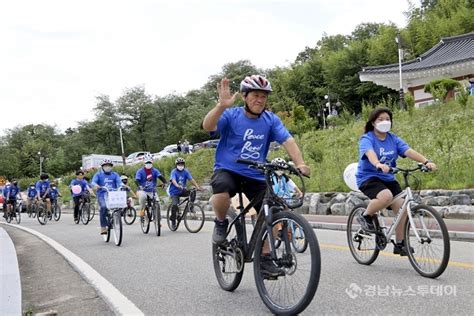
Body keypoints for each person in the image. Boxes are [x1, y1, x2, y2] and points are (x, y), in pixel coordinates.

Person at [202, 75, 310, 249]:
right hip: (228, 169)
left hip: (255, 173)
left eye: (263, 96)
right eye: (255, 95)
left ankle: (266, 256)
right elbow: (207, 126)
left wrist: (300, 163)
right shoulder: (231, 115)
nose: (260, 100)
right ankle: (221, 222)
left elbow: (288, 141)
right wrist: (220, 106)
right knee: (221, 190)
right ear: (245, 96)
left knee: (272, 212)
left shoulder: (271, 120)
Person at [355, 107, 437, 256]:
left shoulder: (393, 139)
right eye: (380, 119)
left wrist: (426, 161)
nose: (384, 122)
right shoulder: (367, 138)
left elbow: (408, 151)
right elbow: (370, 153)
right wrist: (378, 164)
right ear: (373, 122)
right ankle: (366, 215)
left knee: (402, 208)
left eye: (387, 119)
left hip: (388, 177)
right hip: (368, 177)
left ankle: (400, 244)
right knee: (385, 196)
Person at [167, 157, 202, 228]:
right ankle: (173, 221)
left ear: (184, 165)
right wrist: (177, 185)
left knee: (192, 191)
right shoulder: (174, 172)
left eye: (182, 164)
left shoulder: (186, 171)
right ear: (176, 165)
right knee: (174, 205)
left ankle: (191, 206)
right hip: (174, 192)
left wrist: (197, 186)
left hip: (182, 190)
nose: (180, 165)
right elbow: (173, 180)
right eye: (179, 164)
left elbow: (191, 179)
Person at [91, 159, 122, 235]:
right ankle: (103, 227)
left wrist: (121, 186)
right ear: (102, 167)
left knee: (120, 206)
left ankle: (116, 220)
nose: (107, 167)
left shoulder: (115, 175)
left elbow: (119, 182)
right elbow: (93, 182)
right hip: (102, 194)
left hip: (113, 194)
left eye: (109, 165)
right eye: (105, 165)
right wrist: (96, 186)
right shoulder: (98, 175)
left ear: (111, 167)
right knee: (103, 207)